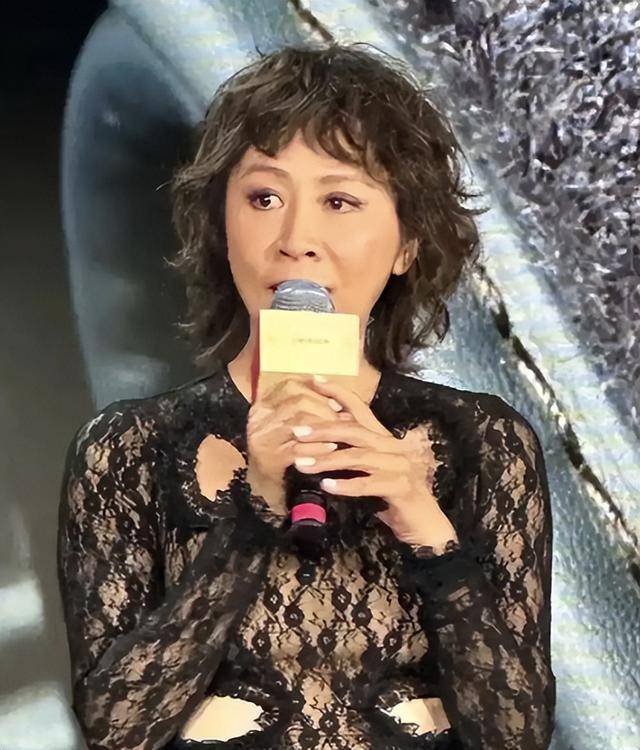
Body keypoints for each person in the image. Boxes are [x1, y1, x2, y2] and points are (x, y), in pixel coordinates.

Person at [57, 42, 556, 750]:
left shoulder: (486, 441)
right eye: (264, 198)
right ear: (222, 228)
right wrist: (257, 507)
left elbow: (517, 733)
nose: (296, 240)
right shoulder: (125, 449)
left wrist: (424, 524)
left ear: (408, 243)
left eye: (339, 201)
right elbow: (117, 727)